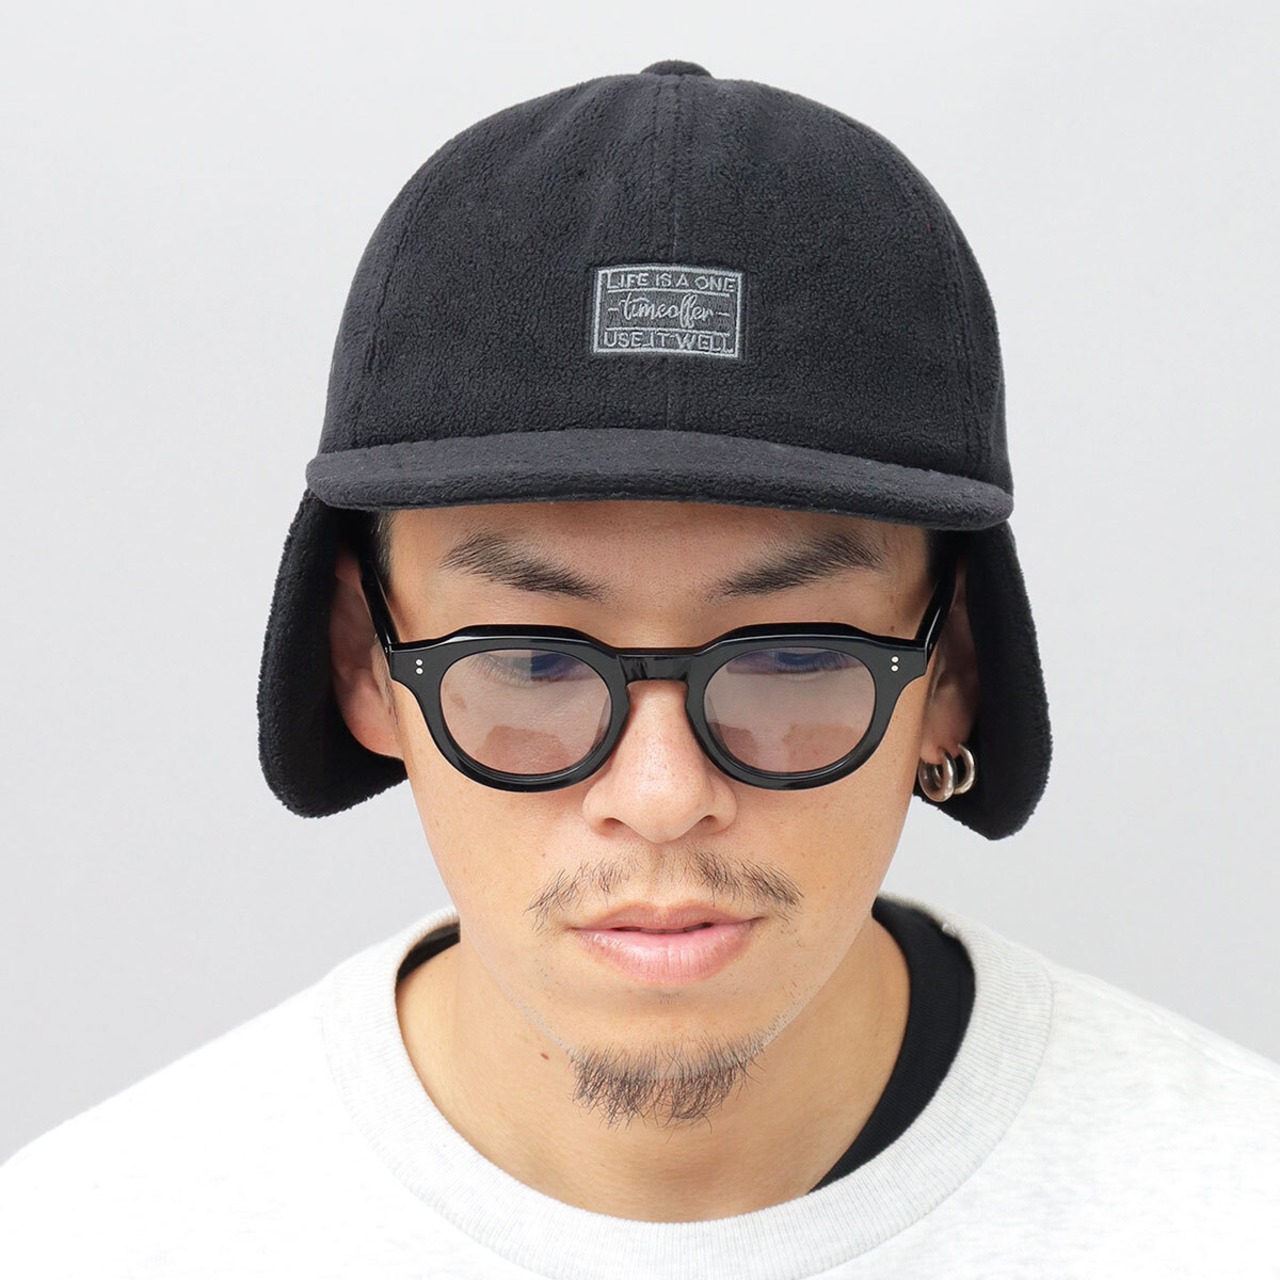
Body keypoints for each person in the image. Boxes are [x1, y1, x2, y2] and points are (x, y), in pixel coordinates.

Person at [2, 60, 1277, 1278]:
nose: (661, 796)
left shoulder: (1233, 1215)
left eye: (791, 655)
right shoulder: (85, 1241)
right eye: (529, 659)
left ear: (951, 677)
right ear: (360, 664)